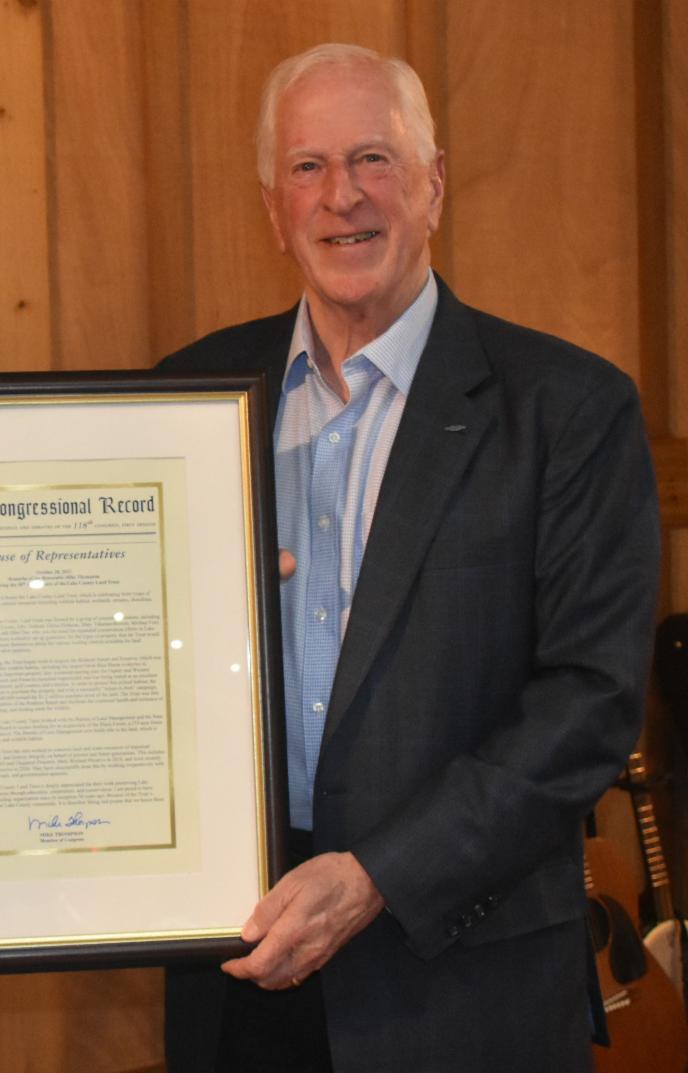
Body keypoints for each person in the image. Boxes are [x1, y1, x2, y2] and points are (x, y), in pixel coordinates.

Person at [161, 44, 659, 1073]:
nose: (342, 195)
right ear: (273, 208)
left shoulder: (568, 409)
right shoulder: (188, 396)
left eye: (373, 159)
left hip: (465, 985)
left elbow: (591, 702)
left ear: (434, 184)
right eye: (307, 167)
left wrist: (381, 874)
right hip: (238, 972)